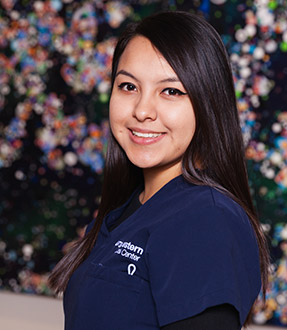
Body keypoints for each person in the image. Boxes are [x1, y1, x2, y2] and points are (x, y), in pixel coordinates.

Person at [49, 11, 269, 330]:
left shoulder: (206, 219)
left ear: (208, 104)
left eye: (170, 91)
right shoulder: (124, 212)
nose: (142, 110)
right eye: (128, 86)